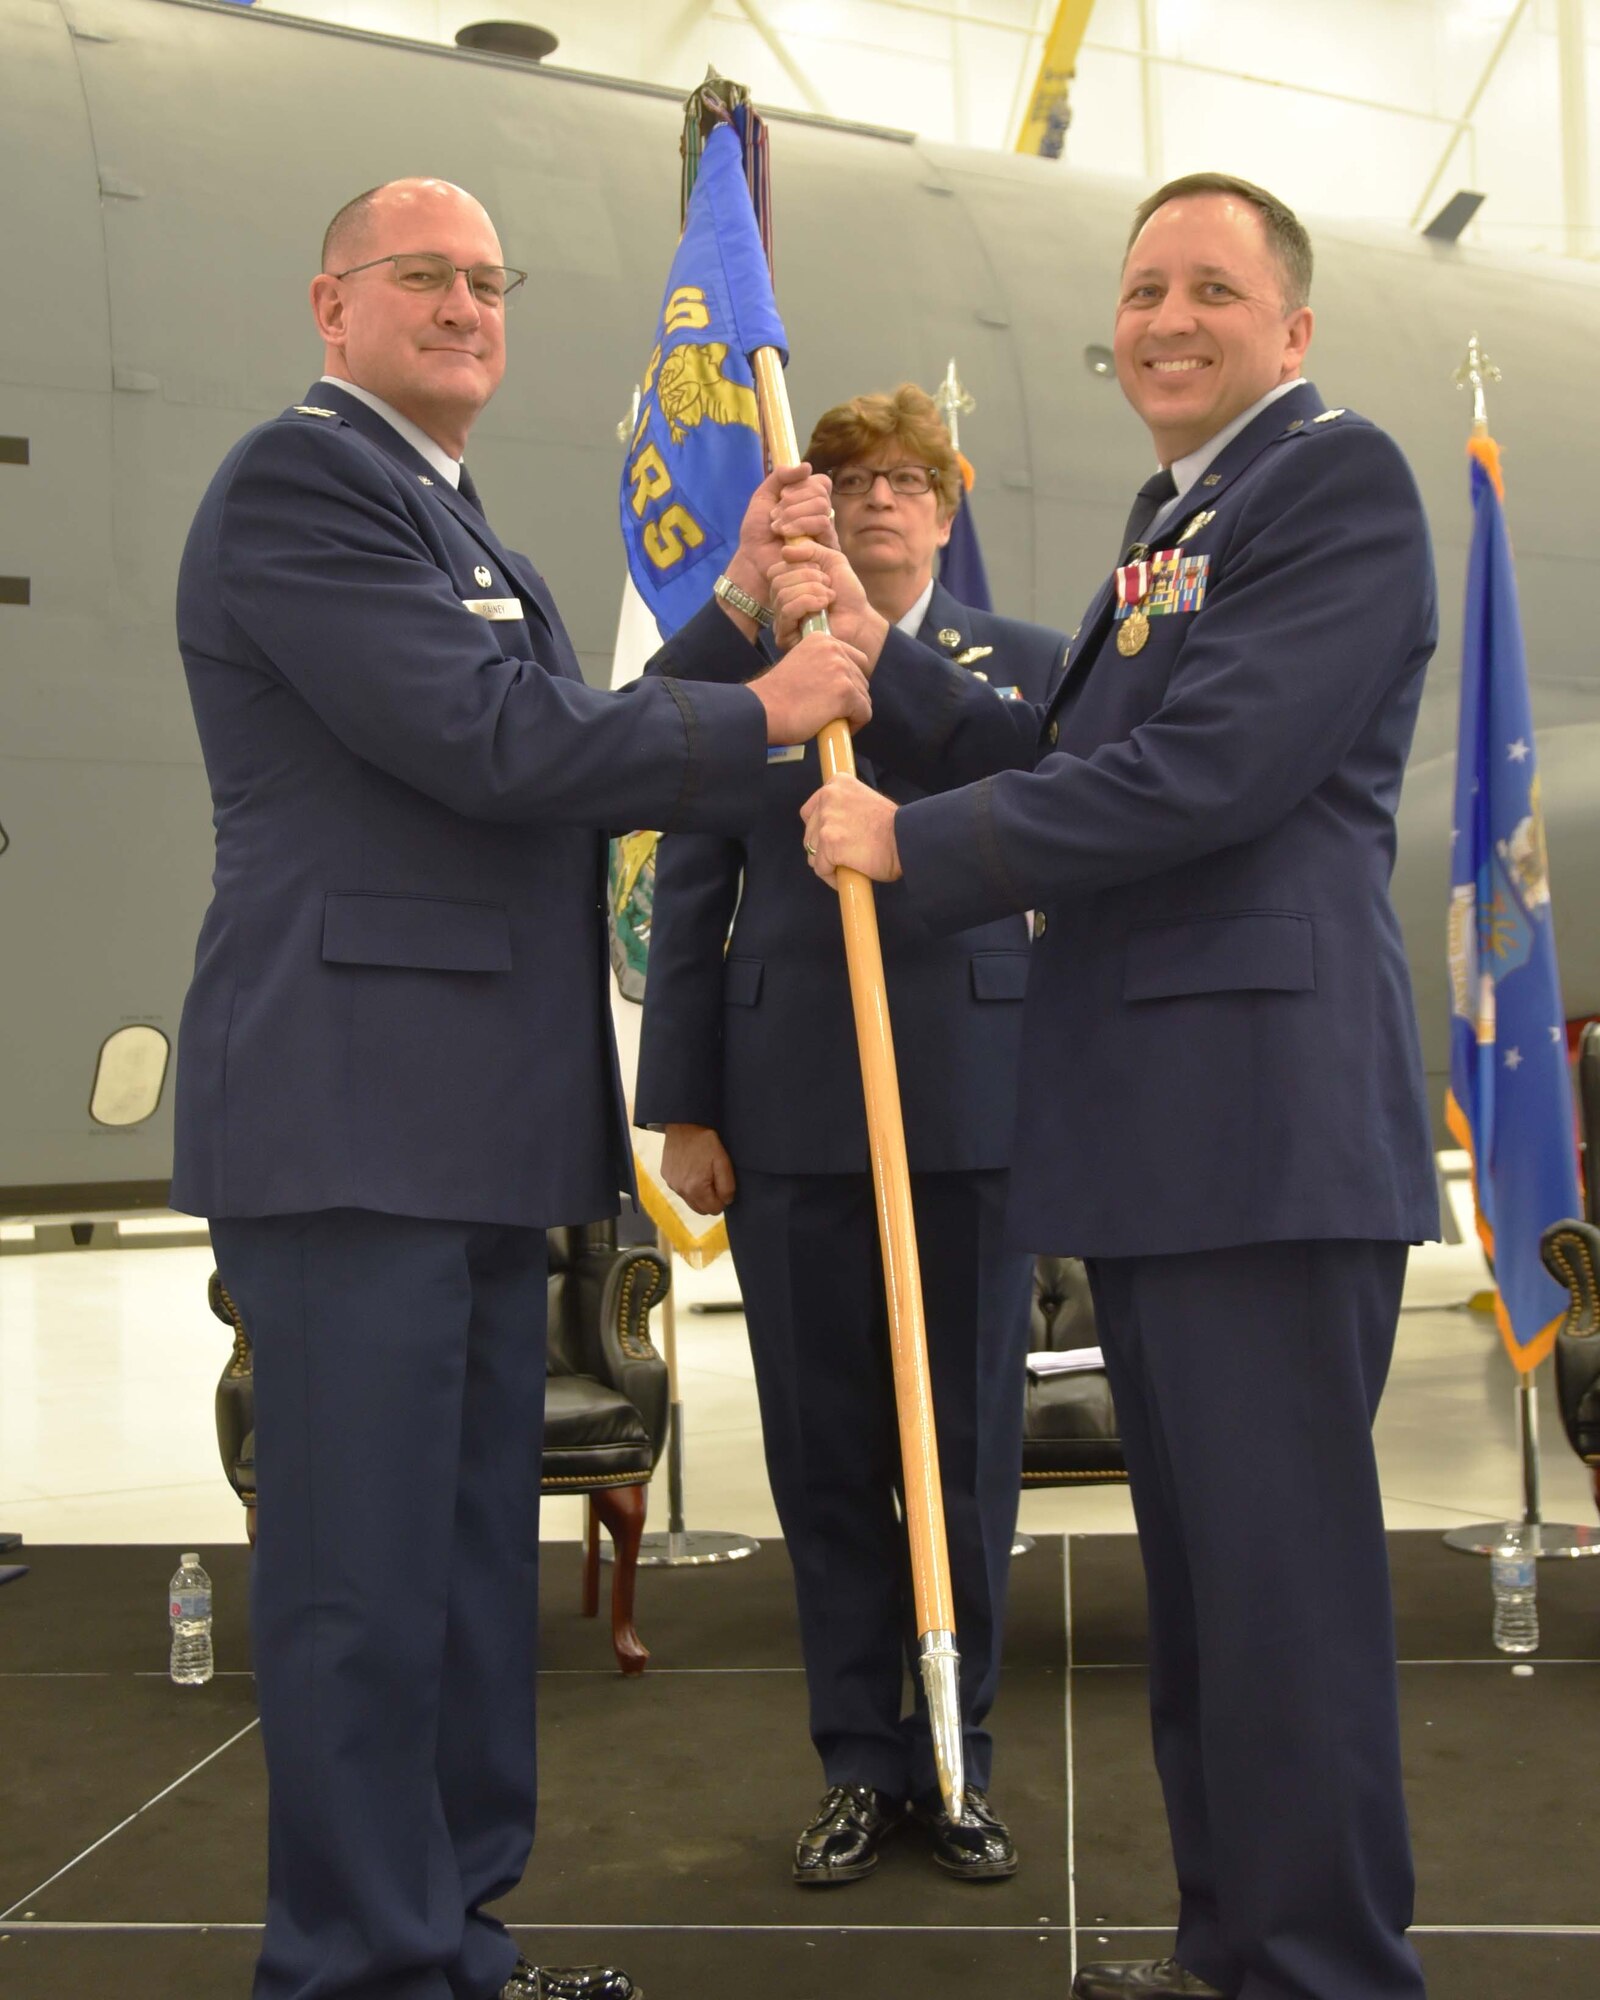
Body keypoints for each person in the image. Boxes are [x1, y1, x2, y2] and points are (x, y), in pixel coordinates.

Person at [172, 176, 865, 2000]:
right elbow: (490, 742)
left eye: (490, 279)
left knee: (469, 1587)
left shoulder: (440, 511)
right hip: (353, 1126)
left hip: (469, 1130)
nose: (469, 303)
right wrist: (776, 706)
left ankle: (450, 1944)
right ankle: (357, 1967)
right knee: (362, 1595)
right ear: (333, 307)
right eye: (426, 276)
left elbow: (552, 733)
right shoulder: (302, 487)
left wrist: (725, 621)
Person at [790, 175, 1438, 1999]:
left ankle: (1321, 1973)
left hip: (1262, 1124)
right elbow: (1073, 751)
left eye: (1210, 289)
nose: (1164, 317)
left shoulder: (1335, 484)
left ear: (1291, 329)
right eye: (1143, 287)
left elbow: (1208, 776)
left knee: (1281, 1607)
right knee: (1217, 1610)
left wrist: (910, 843)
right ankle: (1236, 1951)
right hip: (1169, 1135)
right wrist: (881, 648)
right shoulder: (1183, 518)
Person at [635, 385, 1066, 1887]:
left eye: (904, 480)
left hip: (967, 1093)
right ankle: (856, 1762)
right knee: (824, 1460)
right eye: (845, 480)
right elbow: (690, 884)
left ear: (946, 511)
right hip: (789, 1103)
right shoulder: (750, 672)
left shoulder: (1020, 671)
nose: (875, 501)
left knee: (963, 1454)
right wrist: (685, 1101)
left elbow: (1041, 809)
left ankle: (959, 1759)